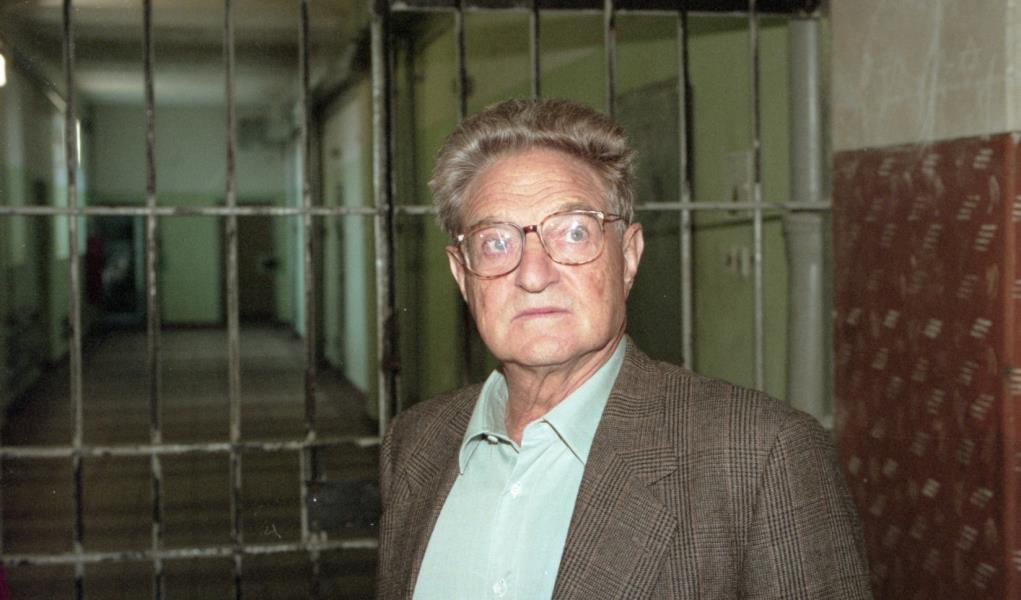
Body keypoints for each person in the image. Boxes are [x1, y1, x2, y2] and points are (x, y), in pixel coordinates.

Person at [376, 98, 871, 599]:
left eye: (574, 233)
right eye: (496, 242)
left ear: (628, 257)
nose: (533, 275)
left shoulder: (760, 455)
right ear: (463, 275)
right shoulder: (415, 444)